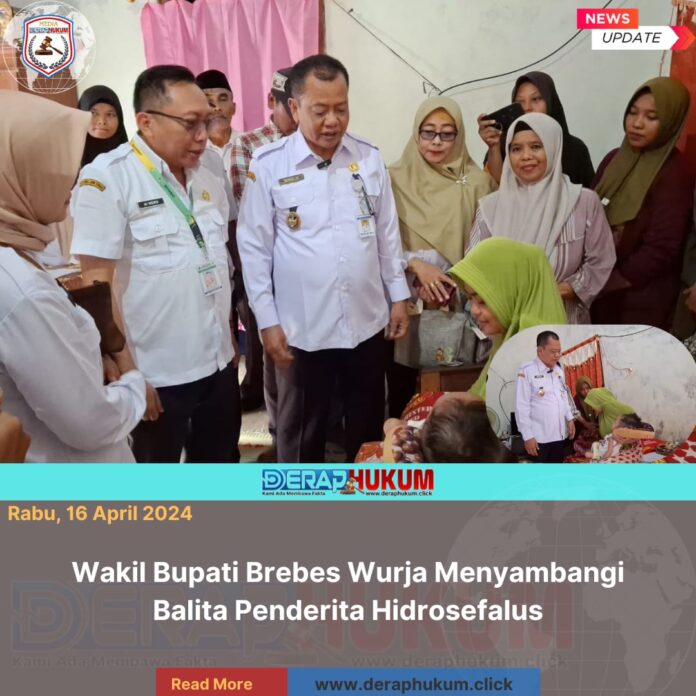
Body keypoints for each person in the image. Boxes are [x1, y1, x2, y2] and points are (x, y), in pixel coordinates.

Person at [237, 54, 410, 463]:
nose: (332, 121)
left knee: (367, 431)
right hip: (302, 330)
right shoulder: (270, 165)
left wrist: (398, 296)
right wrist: (267, 322)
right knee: (301, 434)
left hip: (365, 323)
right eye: (320, 111)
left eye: (341, 109)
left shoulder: (368, 158)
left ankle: (363, 497)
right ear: (294, 108)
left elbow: (386, 233)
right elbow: (254, 249)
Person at [71, 65, 241, 463]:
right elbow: (97, 283)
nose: (203, 135)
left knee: (219, 468)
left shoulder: (208, 170)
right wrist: (130, 373)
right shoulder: (108, 179)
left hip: (217, 361)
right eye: (190, 123)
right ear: (146, 122)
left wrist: (229, 343)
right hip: (156, 371)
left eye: (207, 121)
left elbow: (215, 258)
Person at [0, 91, 146, 462]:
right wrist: (134, 384)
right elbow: (89, 422)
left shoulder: (20, 251)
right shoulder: (21, 290)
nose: (70, 179)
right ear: (16, 173)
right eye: (53, 166)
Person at [386, 95, 495, 415]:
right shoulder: (391, 179)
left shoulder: (479, 183)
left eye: (447, 134)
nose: (436, 141)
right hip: (404, 298)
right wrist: (415, 267)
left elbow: (487, 247)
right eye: (428, 132)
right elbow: (379, 242)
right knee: (403, 396)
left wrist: (451, 282)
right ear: (416, 132)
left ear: (459, 136)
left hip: (457, 302)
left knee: (455, 399)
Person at [469, 113, 615, 324]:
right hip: (506, 322)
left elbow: (600, 260)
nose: (526, 156)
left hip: (565, 321)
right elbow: (472, 267)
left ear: (554, 147)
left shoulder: (583, 202)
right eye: (516, 149)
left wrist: (559, 290)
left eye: (536, 146)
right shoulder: (490, 208)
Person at [591, 77, 694, 329]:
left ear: (671, 121)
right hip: (597, 291)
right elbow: (587, 212)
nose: (637, 123)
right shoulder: (613, 159)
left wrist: (610, 282)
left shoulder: (675, 172)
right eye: (633, 112)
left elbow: (662, 248)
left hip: (639, 301)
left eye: (651, 117)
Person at [229, 67, 296, 426]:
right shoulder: (250, 145)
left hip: (304, 269)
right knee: (273, 352)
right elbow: (252, 213)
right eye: (290, 106)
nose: (297, 116)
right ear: (272, 101)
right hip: (268, 268)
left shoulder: (316, 142)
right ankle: (278, 429)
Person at [447, 238, 567, 400]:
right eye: (470, 299)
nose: (474, 311)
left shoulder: (536, 360)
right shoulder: (507, 341)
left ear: (514, 295)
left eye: (482, 301)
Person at [478, 71, 595, 186]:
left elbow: (589, 193)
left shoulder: (575, 148)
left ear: (550, 101)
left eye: (535, 99)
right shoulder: (505, 145)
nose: (527, 107)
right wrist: (494, 147)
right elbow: (498, 187)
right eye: (520, 102)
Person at [516, 331, 576, 462]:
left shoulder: (558, 371)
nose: (557, 355)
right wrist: (527, 436)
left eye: (559, 351)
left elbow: (563, 397)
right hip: (539, 438)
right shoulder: (527, 371)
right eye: (553, 352)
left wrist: (569, 418)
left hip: (558, 435)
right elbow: (522, 406)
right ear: (540, 350)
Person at [195, 69, 239, 175]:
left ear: (234, 107)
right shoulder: (192, 151)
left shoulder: (250, 146)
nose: (217, 107)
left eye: (222, 99)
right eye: (208, 101)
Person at [78, 84, 129, 167]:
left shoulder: (133, 160)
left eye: (109, 114)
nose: (102, 121)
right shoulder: (66, 160)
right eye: (93, 113)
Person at [587, 413, 654, 463]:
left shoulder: (614, 438)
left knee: (589, 454)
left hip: (604, 455)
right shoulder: (614, 436)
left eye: (615, 422)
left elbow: (609, 452)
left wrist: (600, 459)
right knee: (594, 446)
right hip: (603, 451)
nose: (613, 423)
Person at [573, 376, 600, 455]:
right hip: (583, 430)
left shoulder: (596, 397)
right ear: (578, 390)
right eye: (582, 389)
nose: (586, 391)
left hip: (596, 428)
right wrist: (585, 424)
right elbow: (576, 415)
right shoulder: (576, 400)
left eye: (588, 388)